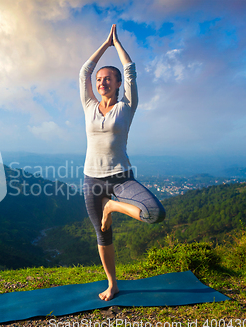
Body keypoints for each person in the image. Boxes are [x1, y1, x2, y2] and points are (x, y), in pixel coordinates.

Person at [79, 24, 166, 301]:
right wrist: (103, 44)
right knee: (102, 234)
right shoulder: (89, 106)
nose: (102, 82)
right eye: (100, 79)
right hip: (91, 180)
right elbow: (84, 72)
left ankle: (113, 206)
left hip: (121, 178)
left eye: (108, 79)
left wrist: (116, 45)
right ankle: (112, 284)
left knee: (155, 213)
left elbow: (130, 70)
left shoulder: (126, 106)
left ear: (118, 84)